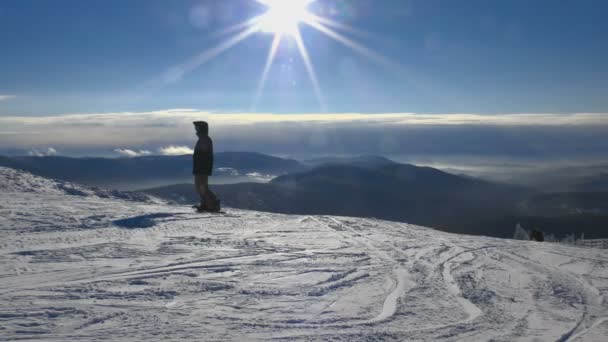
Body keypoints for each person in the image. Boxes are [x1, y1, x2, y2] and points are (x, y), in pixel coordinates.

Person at [192, 121, 220, 212]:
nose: (195, 129)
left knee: (202, 186)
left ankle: (213, 204)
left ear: (201, 128)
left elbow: (203, 154)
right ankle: (205, 204)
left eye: (197, 127)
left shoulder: (204, 139)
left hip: (202, 167)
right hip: (200, 166)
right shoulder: (203, 138)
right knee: (200, 186)